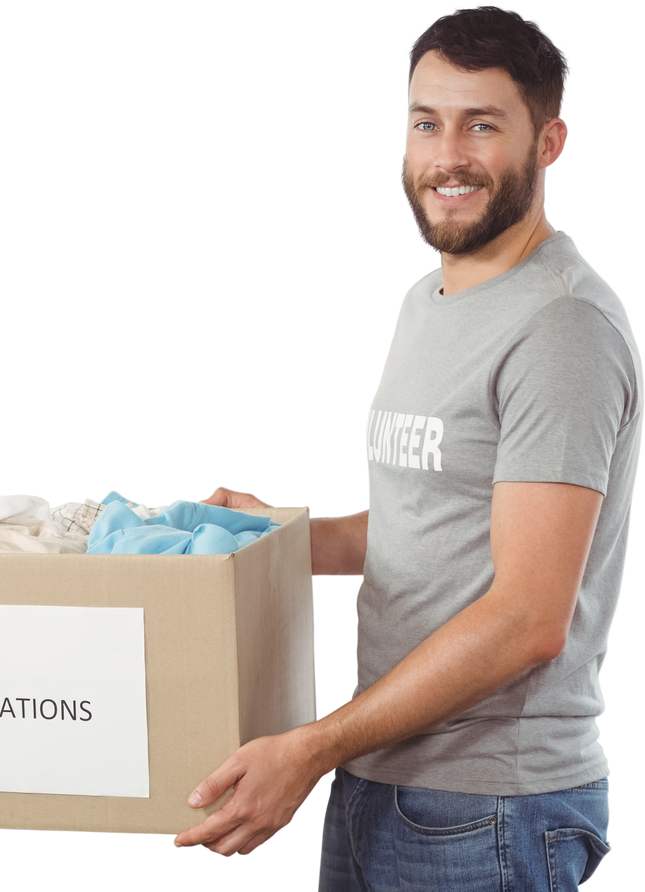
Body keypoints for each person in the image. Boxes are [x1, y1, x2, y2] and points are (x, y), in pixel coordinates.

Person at [172, 4, 641, 888]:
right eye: (426, 123)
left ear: (550, 142)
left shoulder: (562, 325)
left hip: (489, 808)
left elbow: (529, 618)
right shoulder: (427, 301)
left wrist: (310, 748)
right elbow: (422, 521)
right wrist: (282, 534)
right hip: (382, 773)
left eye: (481, 126)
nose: (448, 155)